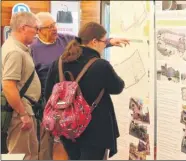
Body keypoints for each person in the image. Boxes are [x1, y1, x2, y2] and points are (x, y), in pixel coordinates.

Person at [30, 12, 129, 160]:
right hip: (96, 130)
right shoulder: (100, 65)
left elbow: (48, 93)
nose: (104, 46)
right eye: (103, 42)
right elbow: (118, 87)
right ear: (94, 42)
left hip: (68, 127)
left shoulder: (59, 62)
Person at [1, 12, 41, 160]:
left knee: (28, 154)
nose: (37, 33)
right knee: (20, 156)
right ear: (24, 28)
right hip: (20, 112)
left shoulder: (17, 48)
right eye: (36, 28)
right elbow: (8, 85)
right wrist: (23, 114)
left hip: (23, 109)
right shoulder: (15, 52)